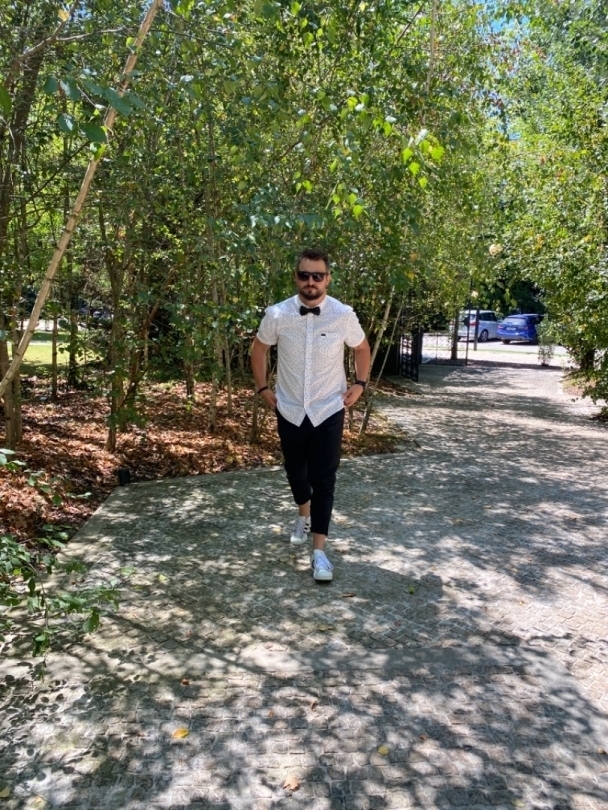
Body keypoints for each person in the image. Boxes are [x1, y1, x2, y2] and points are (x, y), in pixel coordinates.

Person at [251, 247, 371, 582]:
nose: (311, 282)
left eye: (318, 276)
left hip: (328, 407)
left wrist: (360, 384)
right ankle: (302, 513)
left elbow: (361, 348)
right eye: (305, 275)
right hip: (289, 407)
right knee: (295, 472)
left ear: (327, 279)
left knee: (324, 478)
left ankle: (319, 552)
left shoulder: (343, 314)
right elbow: (258, 349)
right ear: (296, 277)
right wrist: (262, 388)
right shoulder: (277, 314)